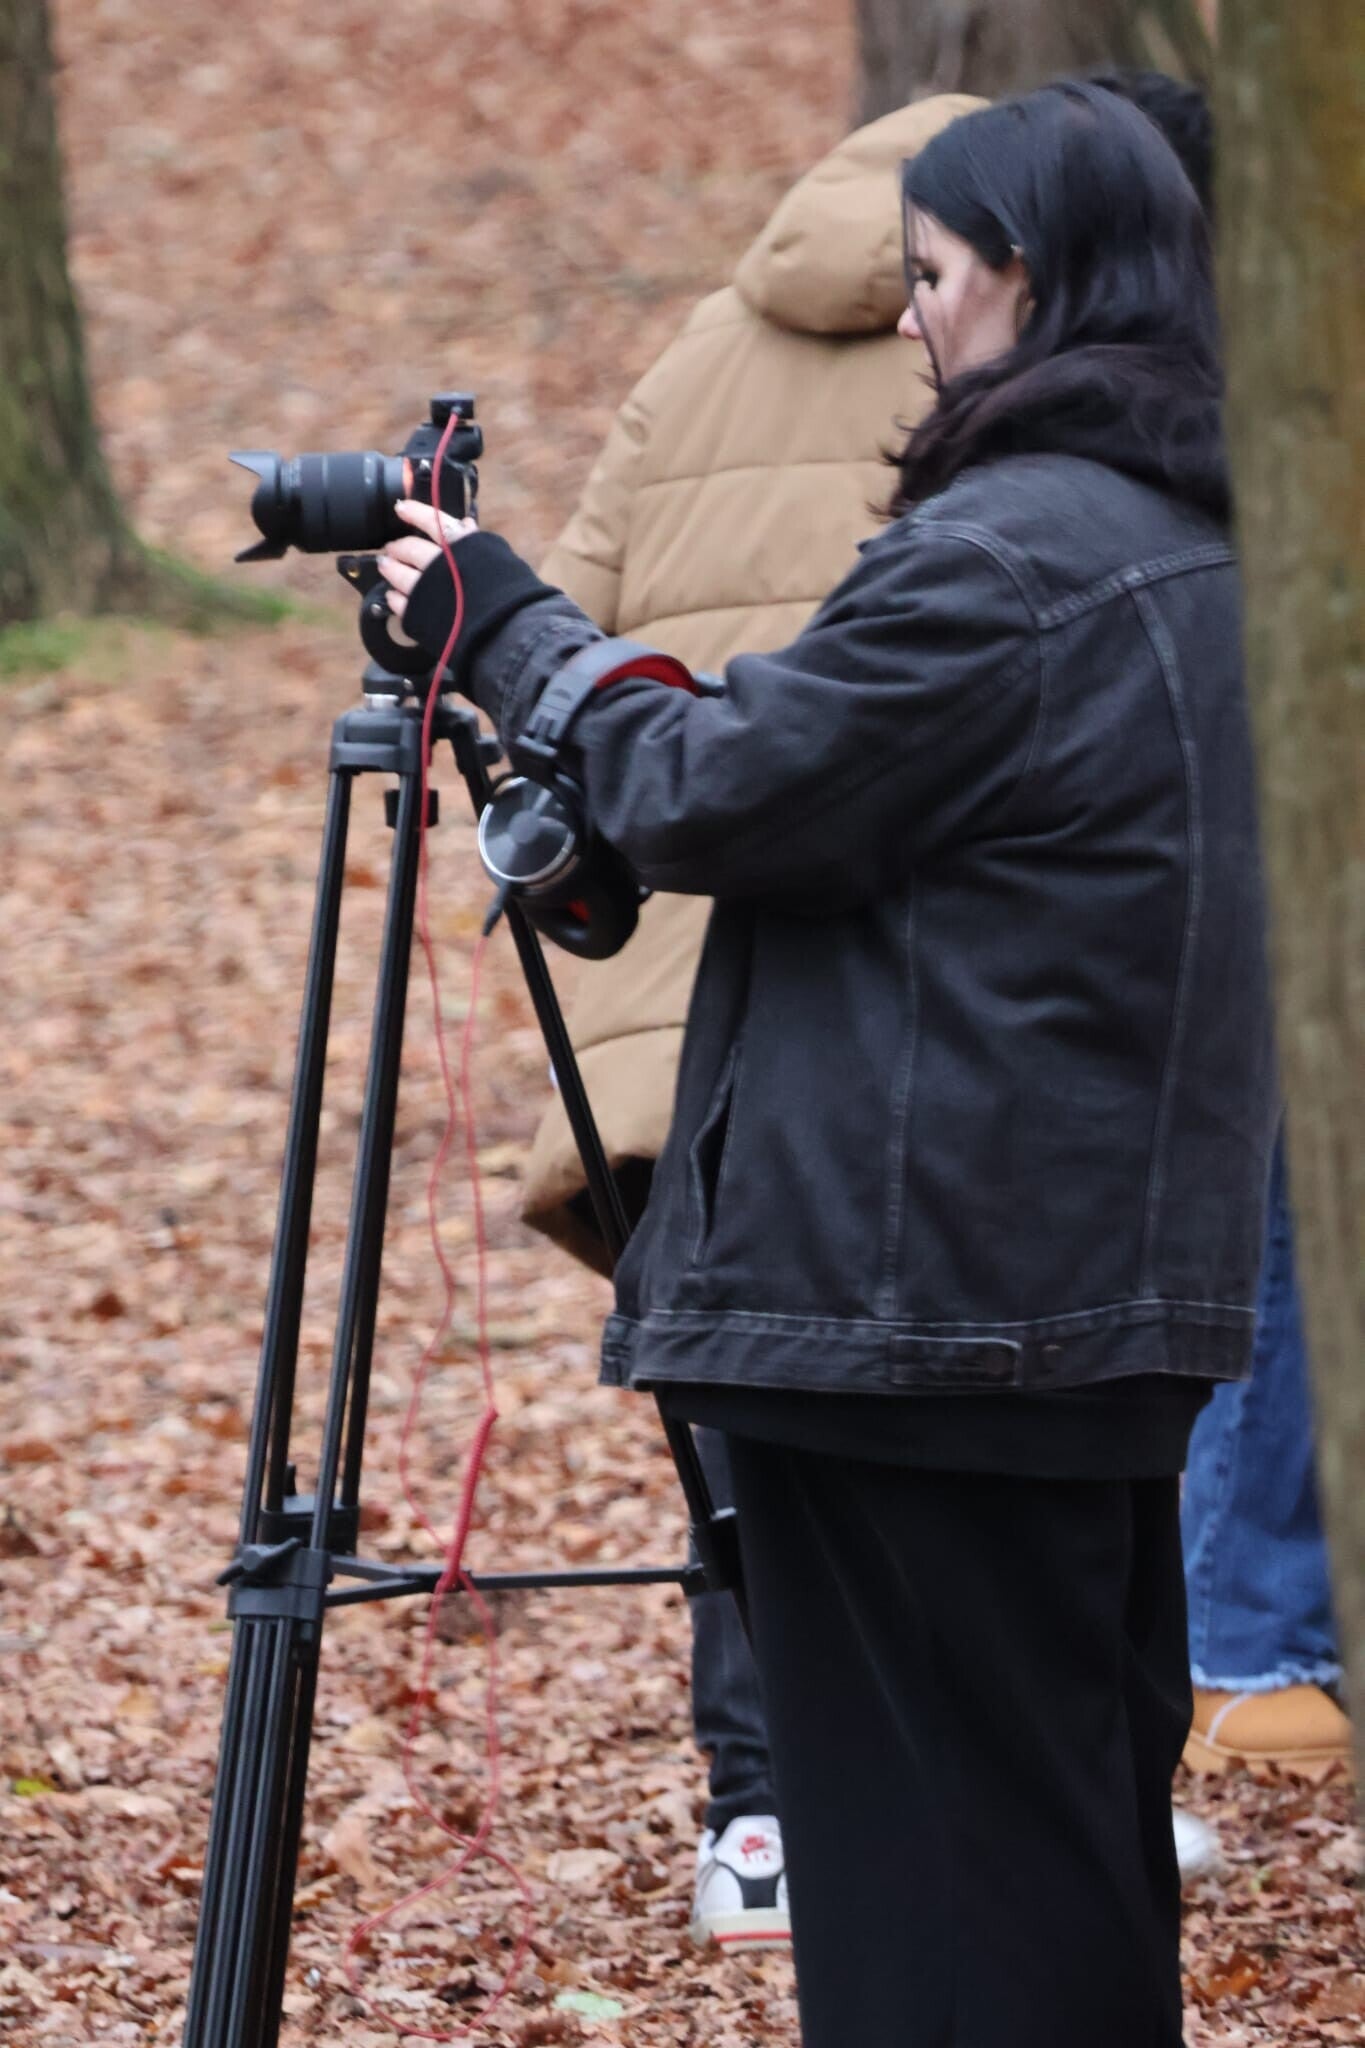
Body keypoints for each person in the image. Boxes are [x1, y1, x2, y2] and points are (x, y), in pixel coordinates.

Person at [382, 83, 1277, 2048]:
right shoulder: (1203, 536)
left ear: (1028, 279)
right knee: (1054, 1825)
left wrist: (508, 630)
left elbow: (722, 785)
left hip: (925, 1311)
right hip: (1074, 1294)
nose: (911, 321)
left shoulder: (1010, 555)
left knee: (934, 1866)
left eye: (933, 278)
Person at [519, 89, 981, 1950]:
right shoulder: (1003, 368)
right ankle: (969, 1793)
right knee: (961, 1405)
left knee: (738, 1422)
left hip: (667, 983)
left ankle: (761, 1821)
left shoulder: (702, 350)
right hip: (897, 977)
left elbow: (562, 627)